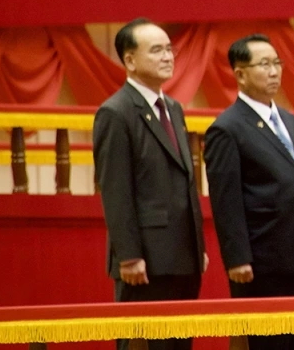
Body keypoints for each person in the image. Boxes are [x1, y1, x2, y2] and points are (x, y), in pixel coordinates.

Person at [93, 18, 206, 350]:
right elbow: (116, 190)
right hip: (144, 262)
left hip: (183, 256)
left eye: (170, 49)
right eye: (156, 50)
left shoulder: (173, 107)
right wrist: (128, 255)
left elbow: (184, 182)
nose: (168, 56)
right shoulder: (116, 112)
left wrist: (196, 242)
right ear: (129, 60)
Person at [203, 34, 294, 350]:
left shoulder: (287, 118)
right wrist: (237, 258)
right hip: (263, 259)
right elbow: (225, 199)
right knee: (271, 343)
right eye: (264, 64)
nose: (274, 72)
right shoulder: (227, 128)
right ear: (240, 74)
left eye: (277, 63)